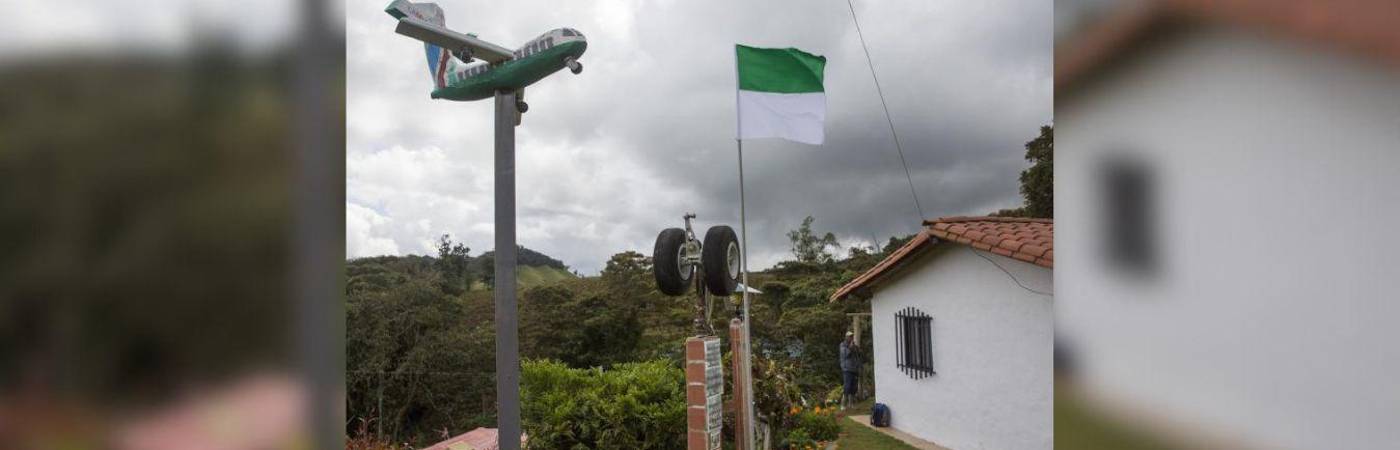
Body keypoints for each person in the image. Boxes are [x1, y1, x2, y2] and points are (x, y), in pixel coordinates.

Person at [839, 330, 861, 409]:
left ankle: (851, 404)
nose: (851, 338)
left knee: (854, 388)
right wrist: (851, 348)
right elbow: (845, 355)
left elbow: (858, 354)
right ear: (846, 337)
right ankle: (843, 404)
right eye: (849, 336)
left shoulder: (854, 345)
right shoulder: (842, 345)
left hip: (854, 369)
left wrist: (856, 348)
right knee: (847, 387)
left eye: (852, 336)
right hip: (847, 369)